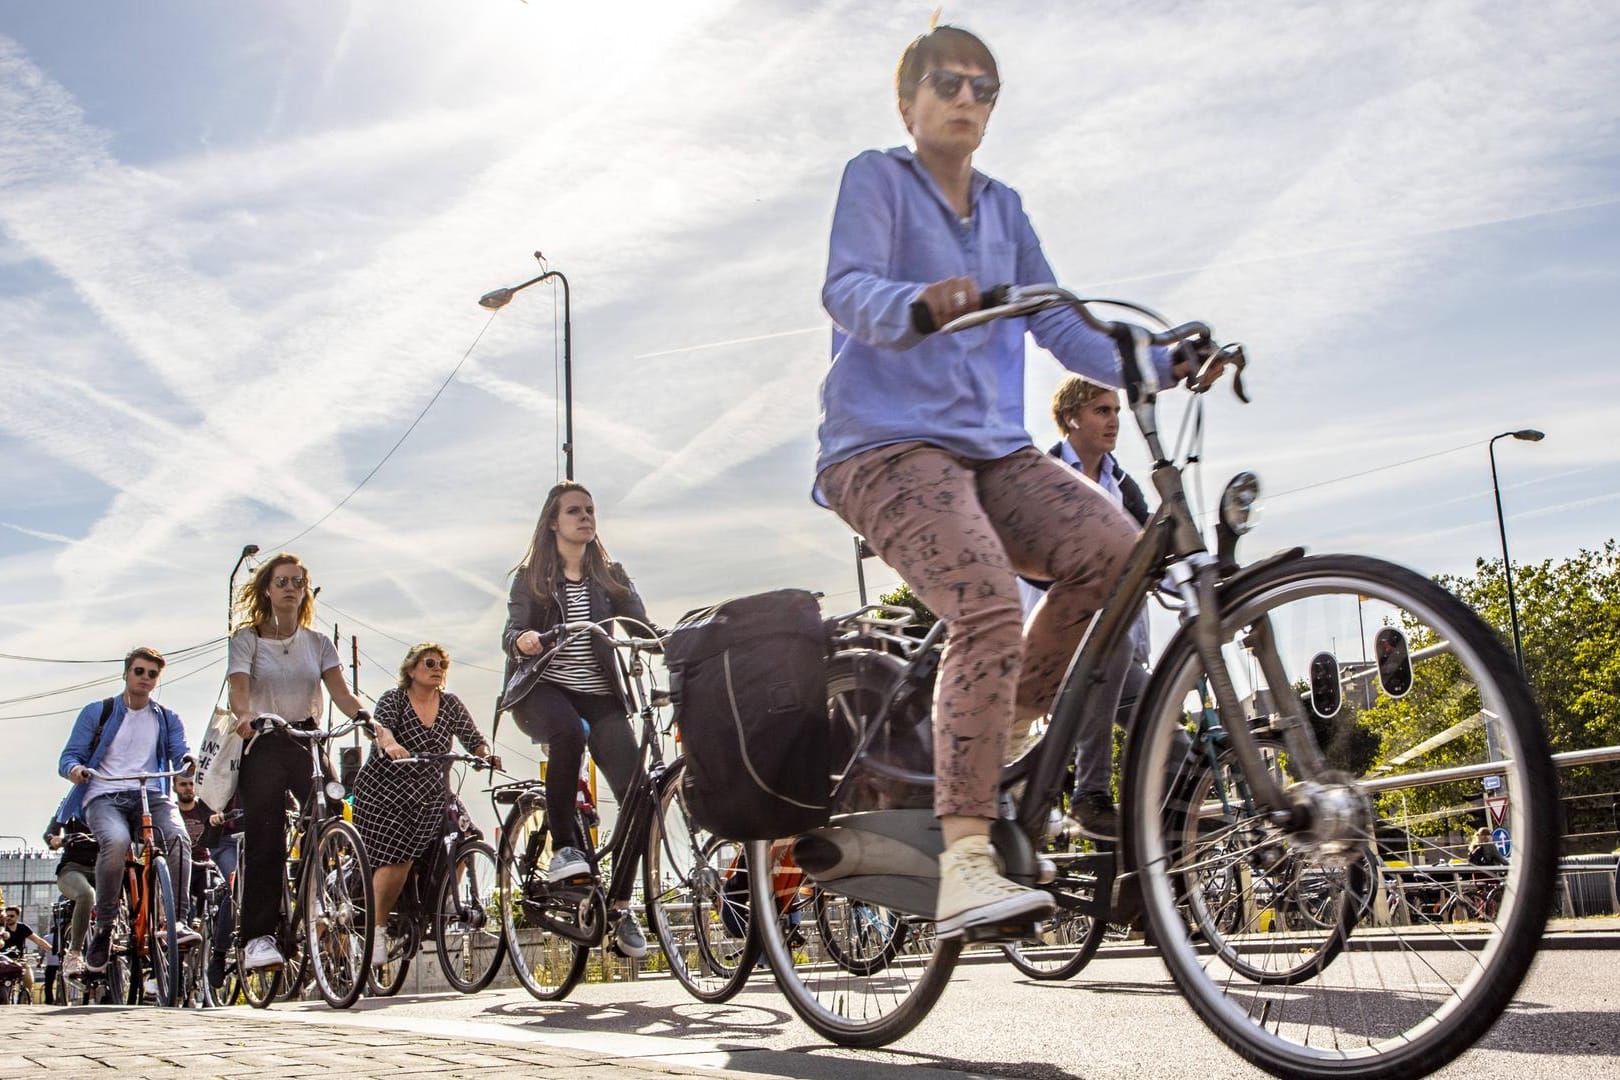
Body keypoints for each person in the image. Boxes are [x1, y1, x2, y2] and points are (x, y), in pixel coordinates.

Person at [815, 23, 1215, 940]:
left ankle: (1002, 738)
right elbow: (847, 286)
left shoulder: (1004, 209)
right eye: (948, 84)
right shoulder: (876, 178)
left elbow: (1066, 327)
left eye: (984, 89)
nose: (967, 100)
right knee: (989, 599)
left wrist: (1157, 357)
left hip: (990, 451)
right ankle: (963, 861)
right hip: (882, 447)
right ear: (908, 100)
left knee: (1118, 555)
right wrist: (917, 305)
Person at [502, 481, 654, 958]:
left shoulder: (611, 575)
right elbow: (512, 629)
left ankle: (622, 906)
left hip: (600, 695)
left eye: (590, 510)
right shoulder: (531, 578)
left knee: (640, 792)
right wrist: (523, 639)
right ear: (553, 522)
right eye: (574, 511)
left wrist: (660, 641)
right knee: (568, 733)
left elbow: (640, 623)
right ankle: (566, 848)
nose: (585, 517)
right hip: (542, 689)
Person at [1016, 377, 1154, 825]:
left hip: (1120, 645)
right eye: (1102, 410)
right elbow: (1026, 558)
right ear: (1071, 417)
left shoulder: (1125, 488)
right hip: (1056, 640)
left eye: (1116, 410)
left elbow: (1157, 559)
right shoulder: (1045, 477)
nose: (1114, 421)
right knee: (1110, 648)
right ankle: (1089, 795)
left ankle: (1158, 849)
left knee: (1170, 739)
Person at [227, 553, 370, 971]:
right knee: (265, 840)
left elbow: (342, 694)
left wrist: (367, 718)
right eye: (282, 581)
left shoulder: (318, 643)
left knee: (331, 815)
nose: (290, 588)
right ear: (268, 590)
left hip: (306, 739)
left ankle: (318, 902)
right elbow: (240, 689)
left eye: (298, 582)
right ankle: (259, 936)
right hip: (265, 738)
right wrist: (244, 714)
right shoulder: (247, 640)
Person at [353, 643, 500, 967]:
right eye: (430, 662)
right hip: (387, 791)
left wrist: (485, 755)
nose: (437, 668)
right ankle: (377, 931)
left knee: (466, 837)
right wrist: (390, 744)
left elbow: (473, 738)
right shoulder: (395, 699)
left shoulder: (449, 704)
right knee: (398, 858)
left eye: (442, 665)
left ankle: (444, 902)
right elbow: (383, 729)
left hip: (434, 792)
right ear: (411, 669)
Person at [57, 647, 199, 973]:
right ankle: (104, 927)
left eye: (152, 674)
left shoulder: (166, 717)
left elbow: (180, 752)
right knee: (117, 841)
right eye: (139, 671)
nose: (145, 679)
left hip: (149, 793)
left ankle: (178, 921)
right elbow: (69, 757)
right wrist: (76, 770)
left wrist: (186, 762)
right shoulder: (99, 712)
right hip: (104, 794)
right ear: (126, 673)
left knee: (178, 838)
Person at [42, 799, 98, 978]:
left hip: (104, 867)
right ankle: (74, 954)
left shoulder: (112, 800)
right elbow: (50, 832)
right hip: (73, 868)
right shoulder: (71, 804)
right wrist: (54, 839)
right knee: (86, 894)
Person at [1, 905, 52, 998]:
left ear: (17, 916)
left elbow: (38, 940)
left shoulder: (23, 928)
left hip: (19, 960)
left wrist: (51, 949)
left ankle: (26, 997)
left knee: (28, 979)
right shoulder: (1, 928)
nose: (8, 918)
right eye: (6, 916)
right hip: (4, 960)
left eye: (11, 916)